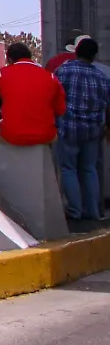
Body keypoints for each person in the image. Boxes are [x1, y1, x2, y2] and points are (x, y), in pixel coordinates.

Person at [54, 38, 108, 223]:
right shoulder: (102, 77)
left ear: (76, 51)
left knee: (69, 168)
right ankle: (92, 211)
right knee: (89, 169)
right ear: (94, 56)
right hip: (93, 131)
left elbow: (55, 98)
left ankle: (75, 211)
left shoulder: (64, 71)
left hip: (69, 128)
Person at [0, 42, 66, 146]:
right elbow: (60, 110)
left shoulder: (2, 73)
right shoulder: (51, 77)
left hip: (12, 135)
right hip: (45, 135)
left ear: (9, 59)